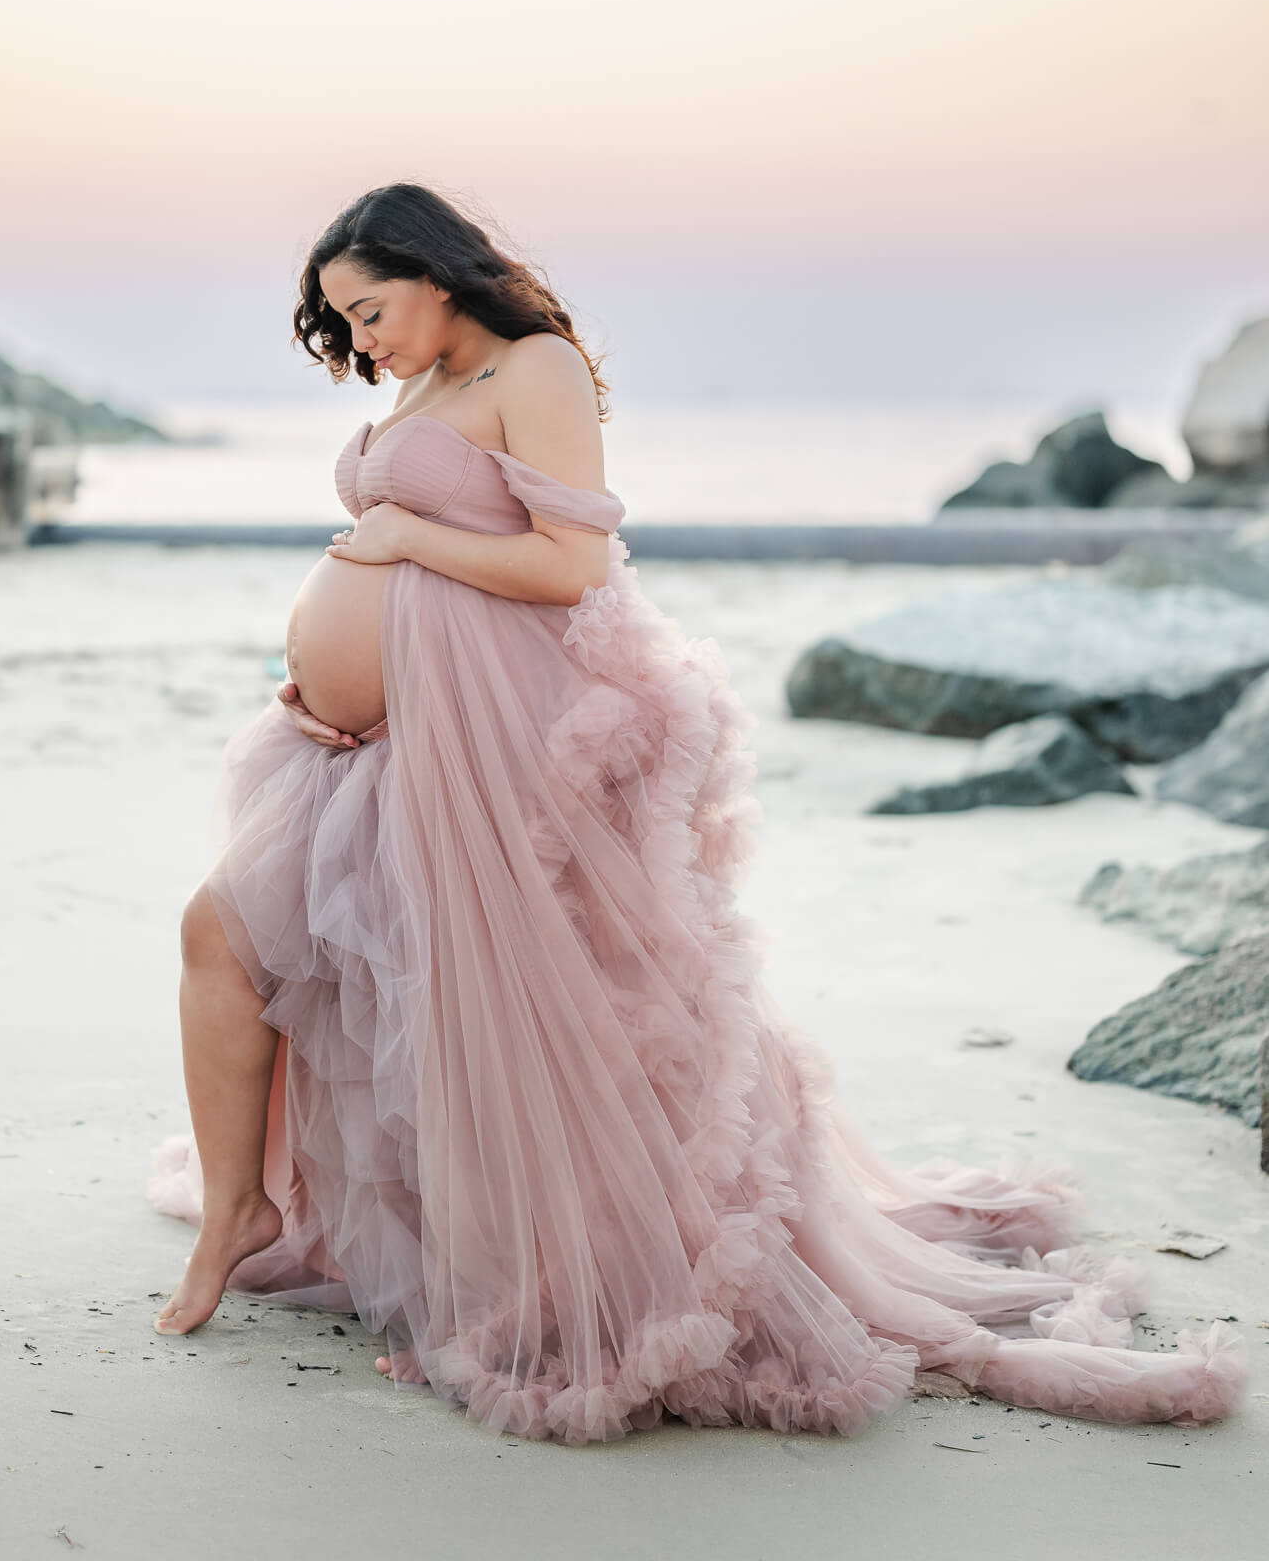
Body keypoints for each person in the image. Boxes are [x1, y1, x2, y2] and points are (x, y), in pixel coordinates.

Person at [147, 183, 1247, 1445]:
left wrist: (396, 536)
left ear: (439, 271)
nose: (361, 341)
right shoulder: (427, 381)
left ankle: (525, 1287)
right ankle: (242, 1204)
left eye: (372, 308)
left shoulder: (534, 363)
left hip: (501, 753)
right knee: (225, 942)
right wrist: (348, 642)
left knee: (500, 1020)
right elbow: (420, 555)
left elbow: (568, 568)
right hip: (375, 739)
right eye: (341, 322)